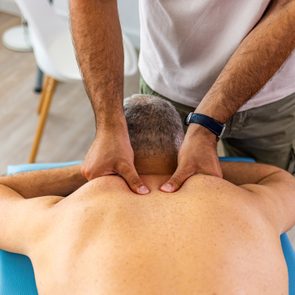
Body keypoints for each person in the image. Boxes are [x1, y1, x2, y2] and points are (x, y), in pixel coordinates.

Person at [0, 95, 294, 294]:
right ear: (180, 147)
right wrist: (192, 167)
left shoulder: (62, 217)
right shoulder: (251, 206)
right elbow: (279, 177)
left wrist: (89, 173)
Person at [70, 0, 295, 195]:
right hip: (168, 80)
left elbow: (288, 9)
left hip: (271, 90)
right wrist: (108, 126)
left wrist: (206, 125)